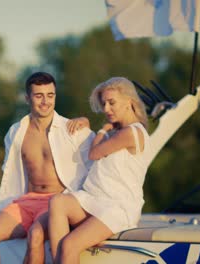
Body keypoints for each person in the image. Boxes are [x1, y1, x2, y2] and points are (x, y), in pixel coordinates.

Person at [0, 72, 94, 264]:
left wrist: (90, 125)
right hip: (26, 202)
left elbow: (101, 154)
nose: (45, 102)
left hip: (56, 203)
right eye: (38, 96)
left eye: (50, 95)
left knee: (36, 236)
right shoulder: (16, 132)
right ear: (27, 98)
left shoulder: (72, 129)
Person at [48, 77, 151, 263]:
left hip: (117, 207)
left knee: (70, 245)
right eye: (104, 104)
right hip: (95, 199)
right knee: (58, 202)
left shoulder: (131, 132)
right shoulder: (118, 131)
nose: (106, 109)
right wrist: (86, 123)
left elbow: (94, 153)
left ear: (129, 102)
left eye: (112, 103)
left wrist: (103, 129)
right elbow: (92, 146)